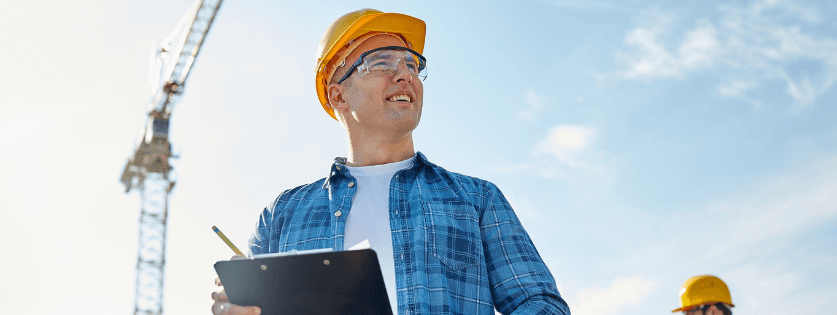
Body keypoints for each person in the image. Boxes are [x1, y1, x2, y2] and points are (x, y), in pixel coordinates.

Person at [211, 8, 570, 315]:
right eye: (380, 62)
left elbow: (542, 305)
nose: (405, 74)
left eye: (412, 64)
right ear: (338, 95)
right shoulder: (282, 215)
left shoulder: (477, 200)